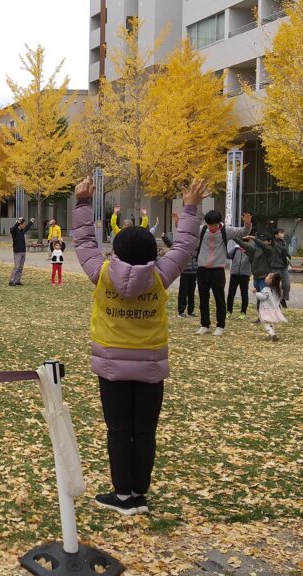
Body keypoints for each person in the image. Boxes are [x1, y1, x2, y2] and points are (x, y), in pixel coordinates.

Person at [74, 176, 209, 516]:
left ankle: (123, 496)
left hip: (112, 367)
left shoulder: (102, 273)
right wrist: (190, 207)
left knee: (119, 430)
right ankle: (139, 494)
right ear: (152, 253)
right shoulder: (160, 276)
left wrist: (83, 203)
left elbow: (84, 241)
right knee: (145, 431)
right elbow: (185, 245)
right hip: (150, 366)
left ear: (117, 252)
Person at [194, 209, 253, 336]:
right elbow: (187, 231)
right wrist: (178, 222)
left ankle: (220, 326)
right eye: (209, 225)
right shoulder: (202, 230)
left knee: (219, 298)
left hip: (218, 269)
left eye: (214, 225)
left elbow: (243, 232)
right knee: (203, 298)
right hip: (202, 269)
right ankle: (204, 325)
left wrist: (247, 224)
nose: (212, 228)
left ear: (219, 223)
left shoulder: (226, 230)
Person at [163, 213, 198, 318]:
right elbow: (174, 245)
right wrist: (165, 238)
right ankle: (181, 311)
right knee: (183, 291)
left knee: (192, 291)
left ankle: (191, 310)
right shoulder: (183, 243)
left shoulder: (197, 241)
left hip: (195, 270)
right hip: (185, 270)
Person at [251, 272, 286, 341]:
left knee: (266, 323)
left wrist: (255, 293)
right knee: (270, 322)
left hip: (265, 309)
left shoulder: (266, 290)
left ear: (270, 280)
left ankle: (272, 334)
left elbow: (262, 297)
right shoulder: (278, 290)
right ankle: (271, 334)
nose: (266, 277)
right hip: (274, 310)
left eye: (267, 276)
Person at [226, 238, 252, 320]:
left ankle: (243, 312)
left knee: (244, 294)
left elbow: (254, 259)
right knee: (231, 294)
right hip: (234, 274)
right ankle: (229, 311)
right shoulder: (235, 250)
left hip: (245, 275)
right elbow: (228, 255)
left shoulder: (250, 251)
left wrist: (247, 251)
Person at [9, 217, 34, 286]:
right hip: (17, 252)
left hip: (23, 251)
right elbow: (13, 229)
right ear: (20, 224)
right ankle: (11, 281)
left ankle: (17, 280)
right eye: (23, 224)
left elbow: (27, 228)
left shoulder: (22, 231)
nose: (24, 225)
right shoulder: (14, 231)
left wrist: (31, 222)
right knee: (17, 267)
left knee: (20, 267)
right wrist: (18, 222)